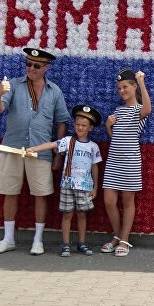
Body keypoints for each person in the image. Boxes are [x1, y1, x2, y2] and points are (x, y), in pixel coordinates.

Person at [0, 48, 69, 256]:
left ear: (46, 68)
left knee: (41, 195)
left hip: (40, 150)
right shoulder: (14, 84)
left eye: (36, 65)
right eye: (28, 64)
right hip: (12, 146)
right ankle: (8, 239)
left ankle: (38, 240)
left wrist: (58, 154)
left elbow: (61, 122)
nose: (30, 68)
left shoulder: (55, 91)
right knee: (10, 192)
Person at [27, 105, 103, 257]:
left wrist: (95, 187)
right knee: (67, 215)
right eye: (77, 124)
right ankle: (66, 245)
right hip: (68, 185)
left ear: (90, 128)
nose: (80, 127)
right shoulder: (68, 141)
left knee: (82, 215)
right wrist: (34, 149)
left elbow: (95, 167)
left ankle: (81, 243)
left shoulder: (93, 147)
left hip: (85, 186)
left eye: (84, 125)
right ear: (74, 125)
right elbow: (52, 144)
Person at [100, 69, 152, 257]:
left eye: (126, 87)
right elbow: (117, 138)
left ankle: (124, 239)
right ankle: (117, 235)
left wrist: (142, 82)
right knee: (109, 201)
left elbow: (148, 109)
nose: (122, 90)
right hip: (113, 162)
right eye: (120, 88)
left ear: (134, 87)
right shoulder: (118, 111)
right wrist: (108, 126)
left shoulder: (139, 110)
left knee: (128, 202)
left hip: (130, 162)